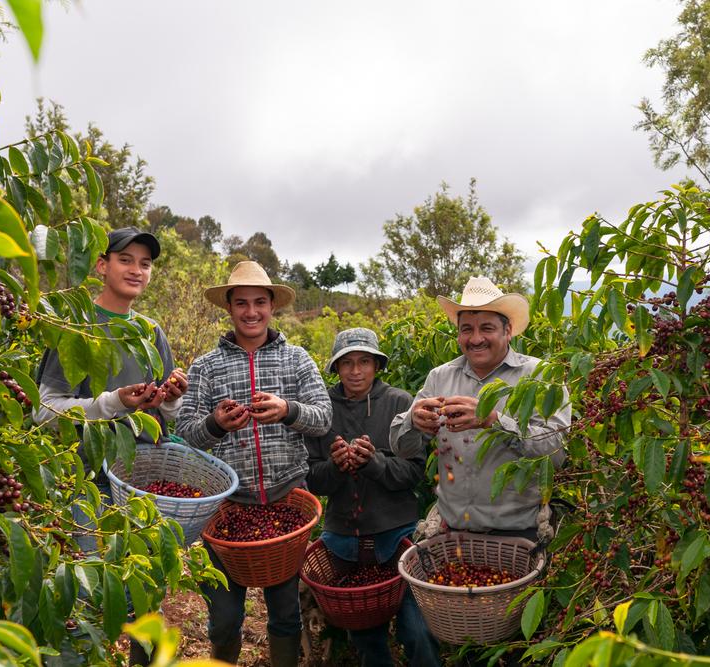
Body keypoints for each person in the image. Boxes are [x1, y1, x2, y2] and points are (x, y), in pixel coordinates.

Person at [34, 226, 187, 666]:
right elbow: (45, 410)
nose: (137, 270)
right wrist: (114, 402)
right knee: (86, 589)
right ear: (101, 266)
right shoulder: (77, 326)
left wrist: (171, 398)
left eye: (145, 263)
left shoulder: (150, 331)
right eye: (125, 260)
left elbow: (166, 411)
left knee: (145, 591)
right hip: (85, 482)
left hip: (140, 481)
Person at [177, 261, 331, 666]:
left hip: (287, 502)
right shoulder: (206, 366)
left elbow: (322, 417)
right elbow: (187, 432)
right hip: (229, 507)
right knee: (225, 617)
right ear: (229, 307)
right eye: (242, 303)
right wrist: (216, 423)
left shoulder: (296, 359)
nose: (251, 312)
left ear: (271, 307)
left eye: (259, 302)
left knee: (285, 612)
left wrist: (287, 410)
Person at [390, 276, 571, 540]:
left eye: (487, 328)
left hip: (519, 534)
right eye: (467, 329)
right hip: (452, 533)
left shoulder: (540, 377)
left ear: (507, 330)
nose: (476, 339)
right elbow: (402, 448)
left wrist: (493, 421)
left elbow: (555, 453)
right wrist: (413, 422)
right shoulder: (440, 377)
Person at [305, 328, 441, 667]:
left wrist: (374, 463)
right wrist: (337, 467)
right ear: (336, 368)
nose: (355, 371)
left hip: (397, 535)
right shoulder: (322, 408)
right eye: (346, 363)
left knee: (418, 631)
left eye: (364, 362)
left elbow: (414, 472)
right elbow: (312, 478)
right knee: (366, 638)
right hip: (344, 541)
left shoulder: (399, 403)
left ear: (377, 365)